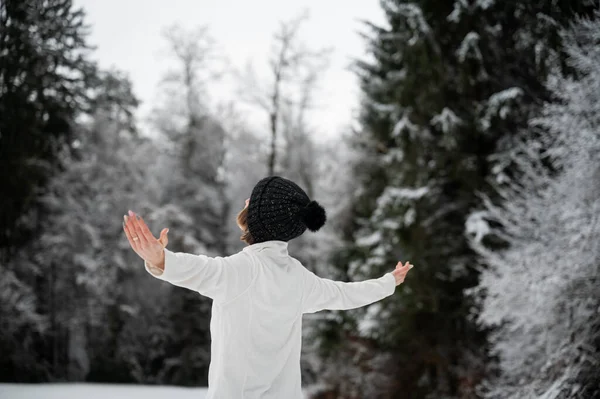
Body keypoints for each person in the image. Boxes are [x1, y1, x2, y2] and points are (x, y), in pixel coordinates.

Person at [122, 175, 413, 399]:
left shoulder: (243, 270)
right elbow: (345, 294)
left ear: (261, 217)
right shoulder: (299, 278)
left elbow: (200, 269)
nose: (246, 202)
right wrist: (388, 283)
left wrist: (160, 259)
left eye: (251, 201)